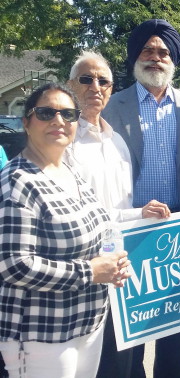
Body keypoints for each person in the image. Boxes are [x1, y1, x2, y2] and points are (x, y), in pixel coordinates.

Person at [101, 19, 180, 378]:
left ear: (173, 60)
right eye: (148, 50)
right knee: (129, 336)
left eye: (163, 52)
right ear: (135, 57)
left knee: (177, 336)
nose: (155, 57)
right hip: (130, 233)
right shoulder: (111, 108)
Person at [0, 83, 131, 378]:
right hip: (41, 336)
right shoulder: (17, 182)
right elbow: (14, 265)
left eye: (68, 114)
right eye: (46, 113)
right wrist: (91, 272)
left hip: (87, 326)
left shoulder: (69, 171)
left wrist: (114, 262)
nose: (58, 121)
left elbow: (98, 228)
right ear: (26, 122)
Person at [65, 50, 172, 378]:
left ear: (111, 90)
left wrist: (142, 214)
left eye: (103, 81)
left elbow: (119, 210)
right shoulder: (62, 142)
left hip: (121, 273)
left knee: (123, 364)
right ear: (71, 85)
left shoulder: (118, 144)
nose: (95, 86)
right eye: (86, 79)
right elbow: (74, 216)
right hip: (80, 275)